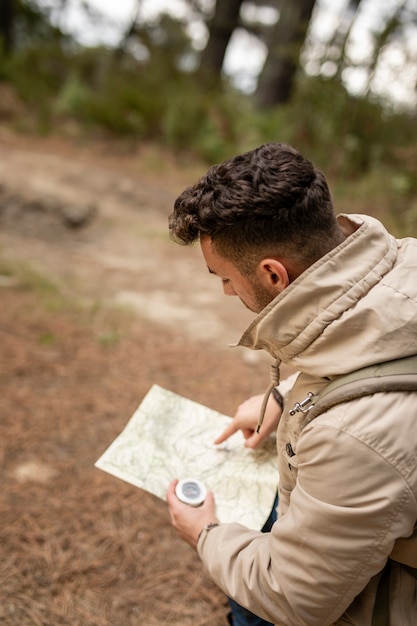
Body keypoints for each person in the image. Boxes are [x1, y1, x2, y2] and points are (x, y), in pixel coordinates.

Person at [166, 142, 417, 625]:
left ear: (273, 275)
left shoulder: (356, 435)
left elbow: (293, 598)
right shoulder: (396, 268)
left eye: (223, 278)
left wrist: (205, 531)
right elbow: (383, 341)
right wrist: (287, 398)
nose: (224, 292)